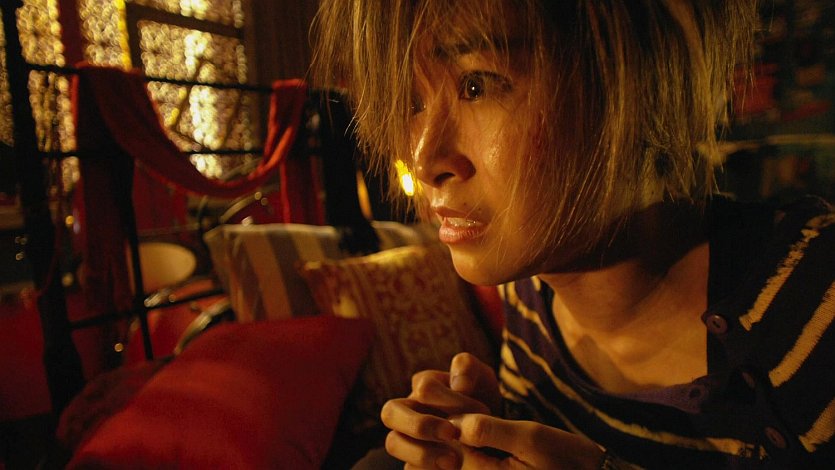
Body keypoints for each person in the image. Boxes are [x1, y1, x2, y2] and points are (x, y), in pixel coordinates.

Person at [312, 0, 835, 468]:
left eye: (477, 86)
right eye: (413, 100)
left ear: (634, 77)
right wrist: (492, 433)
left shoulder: (813, 298)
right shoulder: (530, 294)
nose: (424, 159)